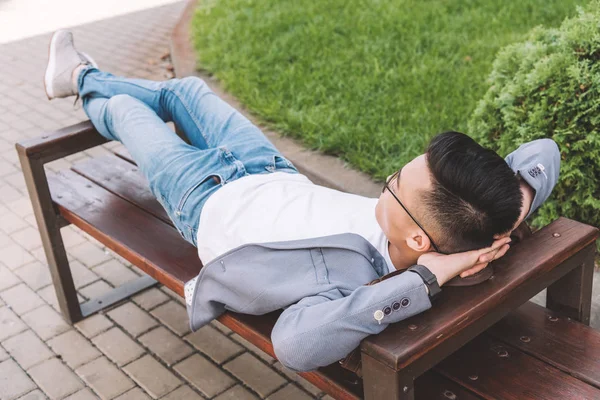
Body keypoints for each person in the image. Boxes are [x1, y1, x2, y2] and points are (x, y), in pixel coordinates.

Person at [44, 30, 560, 372]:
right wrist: (509, 215)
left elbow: (296, 346)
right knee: (186, 90)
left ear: (419, 240)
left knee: (127, 113)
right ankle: (81, 74)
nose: (385, 183)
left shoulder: (356, 283)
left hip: (199, 198)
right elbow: (545, 153)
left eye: (392, 185)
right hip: (267, 169)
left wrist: (427, 277)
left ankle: (83, 80)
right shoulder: (471, 220)